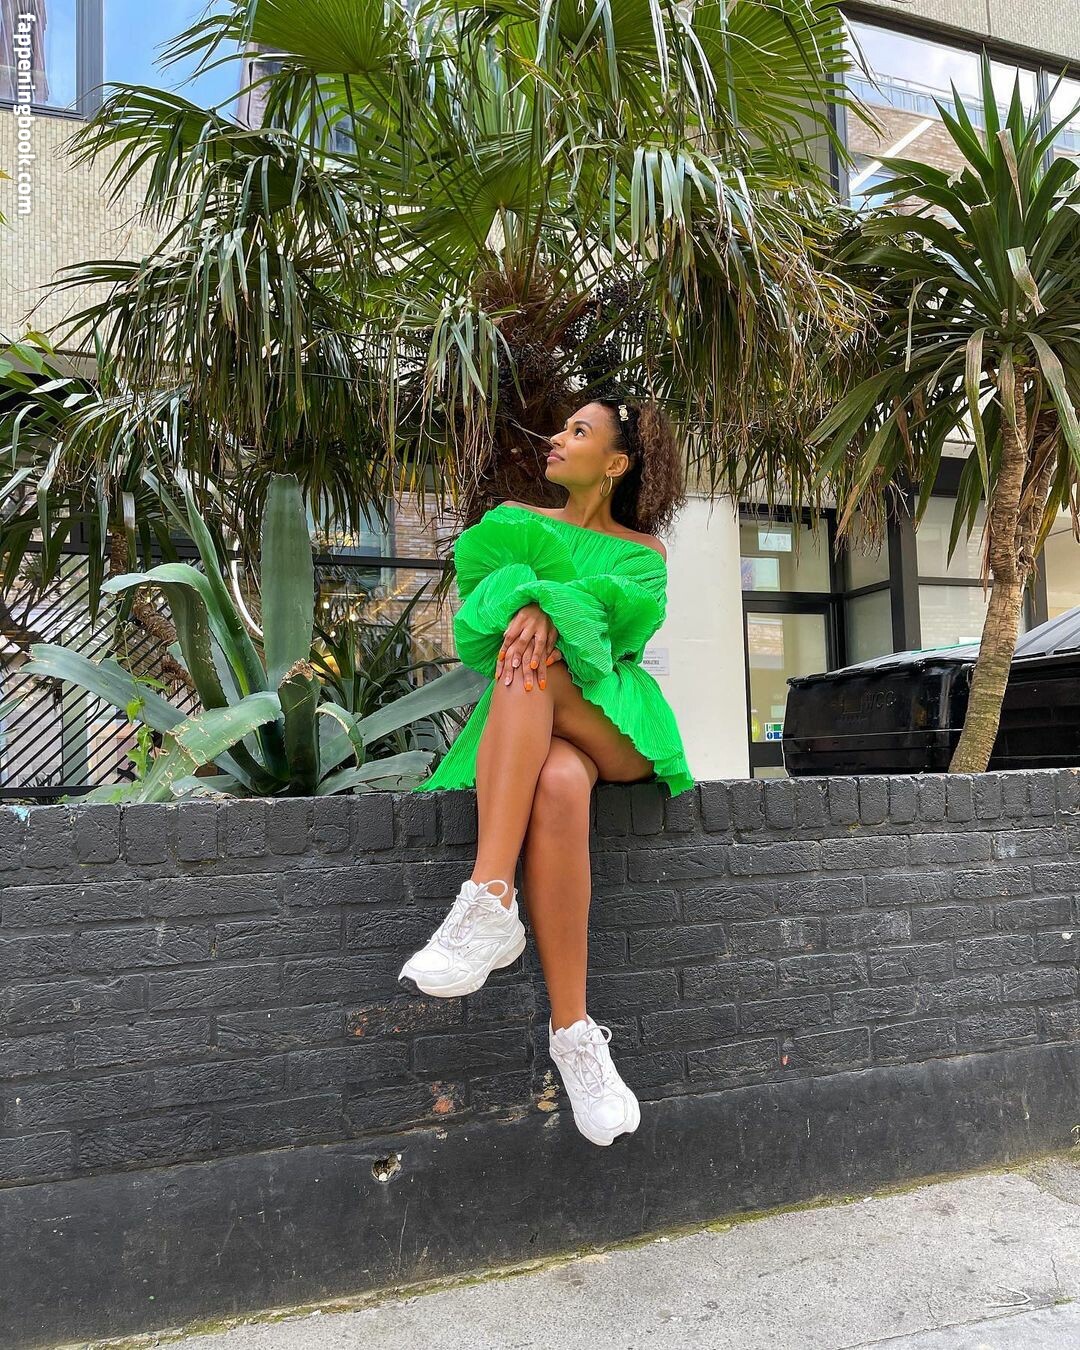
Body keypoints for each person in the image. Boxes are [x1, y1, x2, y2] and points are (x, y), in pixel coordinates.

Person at [400, 396, 694, 1146]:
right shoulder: (515, 525)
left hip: (612, 718)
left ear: (616, 463)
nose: (556, 438)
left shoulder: (643, 553)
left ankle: (489, 895)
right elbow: (482, 615)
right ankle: (574, 1037)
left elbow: (606, 633)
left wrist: (545, 608)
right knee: (558, 781)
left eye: (578, 431)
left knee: (527, 663)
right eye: (564, 427)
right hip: (535, 723)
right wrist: (531, 605)